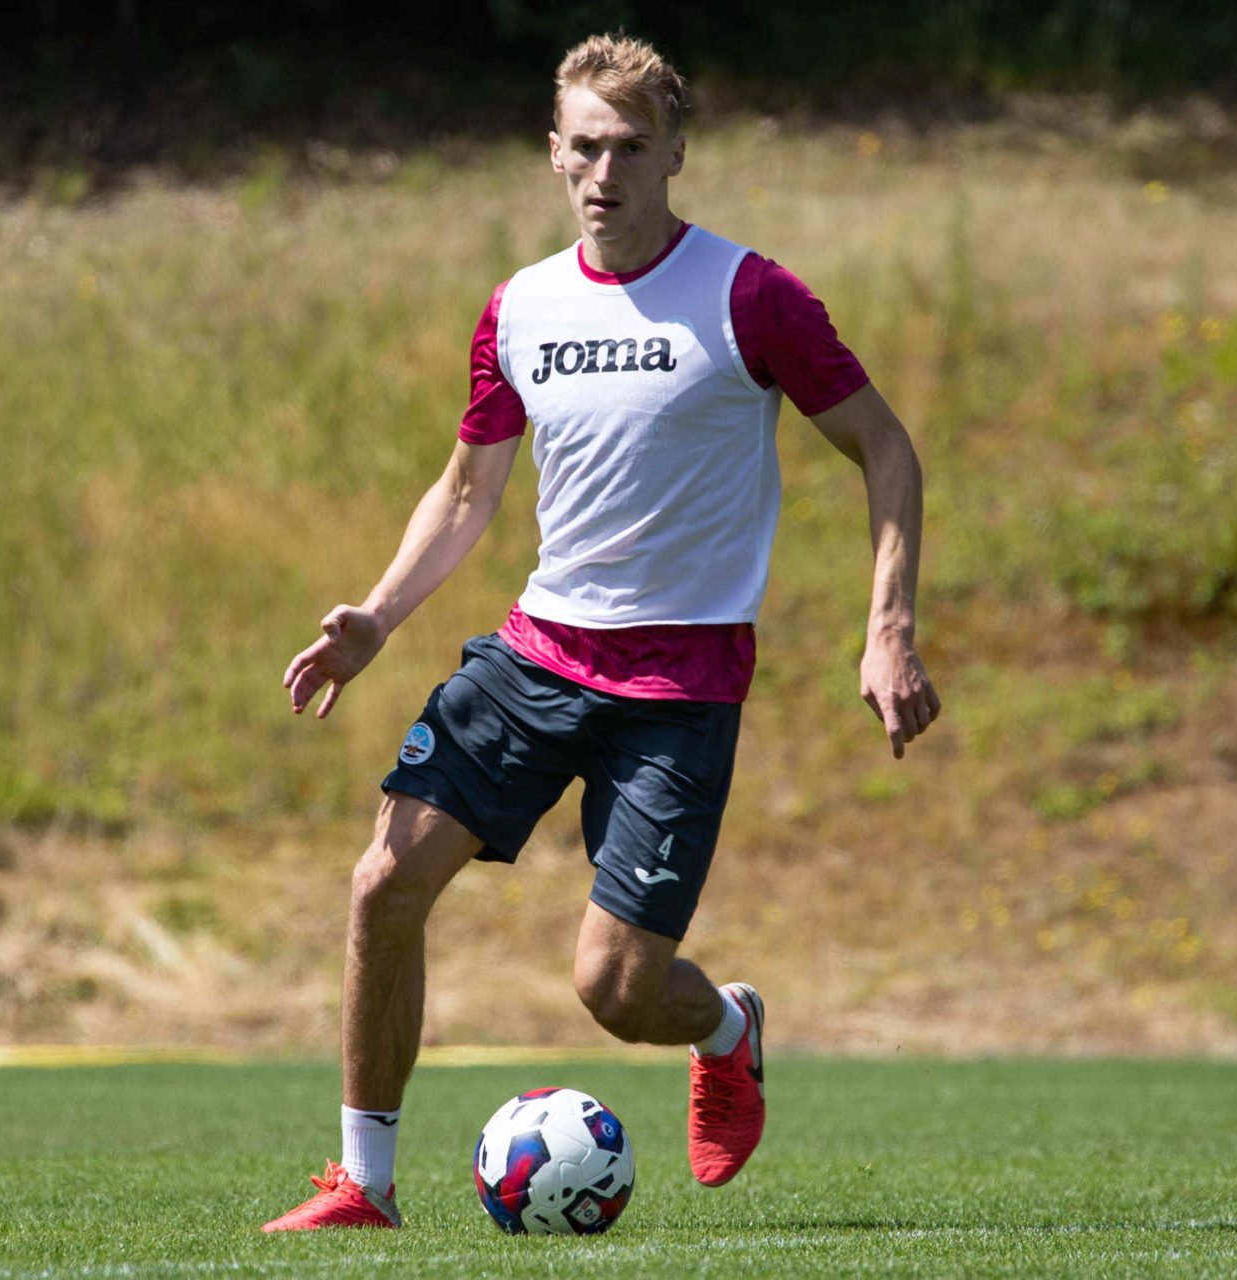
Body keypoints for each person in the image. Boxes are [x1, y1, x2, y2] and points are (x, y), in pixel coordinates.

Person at [263, 32, 940, 1231]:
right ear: (554, 154)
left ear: (676, 152)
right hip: (536, 656)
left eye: (631, 146)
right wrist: (376, 614)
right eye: (584, 145)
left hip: (681, 681)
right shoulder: (519, 306)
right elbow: (469, 488)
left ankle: (726, 1026)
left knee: (616, 991)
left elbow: (886, 447)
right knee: (382, 883)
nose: (605, 170)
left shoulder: (751, 297)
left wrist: (887, 627)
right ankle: (362, 1183)